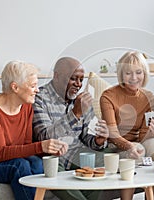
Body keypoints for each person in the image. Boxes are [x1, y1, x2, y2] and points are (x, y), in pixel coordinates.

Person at [0, 60, 68, 200]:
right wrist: (41, 145)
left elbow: (25, 146)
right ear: (15, 87)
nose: (37, 90)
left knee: (37, 163)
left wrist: (48, 149)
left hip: (1, 162)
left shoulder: (26, 107)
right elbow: (0, 153)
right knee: (18, 166)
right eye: (33, 86)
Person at [33, 57, 109, 200]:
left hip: (78, 154)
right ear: (57, 76)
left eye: (81, 80)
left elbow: (87, 138)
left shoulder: (82, 100)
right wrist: (75, 113)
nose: (78, 84)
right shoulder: (40, 98)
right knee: (52, 168)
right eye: (73, 79)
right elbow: (44, 138)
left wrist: (99, 140)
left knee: (113, 161)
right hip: (54, 157)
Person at [100, 51, 154, 200]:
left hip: (138, 145)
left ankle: (150, 198)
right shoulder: (108, 96)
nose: (134, 78)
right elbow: (112, 134)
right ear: (122, 74)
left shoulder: (149, 97)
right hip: (116, 148)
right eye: (128, 73)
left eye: (138, 72)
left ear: (144, 73)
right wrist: (130, 146)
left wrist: (152, 133)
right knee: (135, 152)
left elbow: (143, 136)